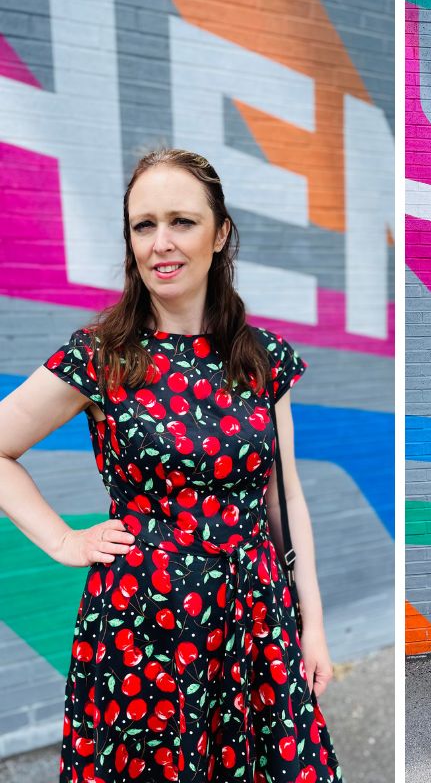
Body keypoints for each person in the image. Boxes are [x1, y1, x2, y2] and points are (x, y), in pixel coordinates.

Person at [0, 149, 343, 782]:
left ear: (222, 234)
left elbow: (285, 499)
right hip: (143, 626)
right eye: (143, 225)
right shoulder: (102, 357)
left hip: (255, 620)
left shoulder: (262, 357)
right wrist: (64, 540)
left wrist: (312, 626)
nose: (161, 243)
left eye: (181, 221)